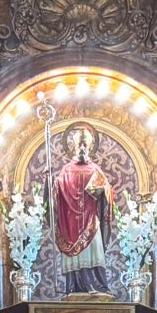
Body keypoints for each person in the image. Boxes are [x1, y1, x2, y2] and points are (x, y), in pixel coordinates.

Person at [50, 124, 115, 296]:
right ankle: (74, 286)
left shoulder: (95, 169)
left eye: (85, 144)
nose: (82, 147)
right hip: (70, 221)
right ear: (73, 146)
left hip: (90, 219)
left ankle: (97, 285)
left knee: (94, 251)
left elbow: (106, 191)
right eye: (79, 144)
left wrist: (104, 190)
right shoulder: (66, 170)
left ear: (90, 146)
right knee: (75, 257)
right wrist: (53, 183)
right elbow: (58, 192)